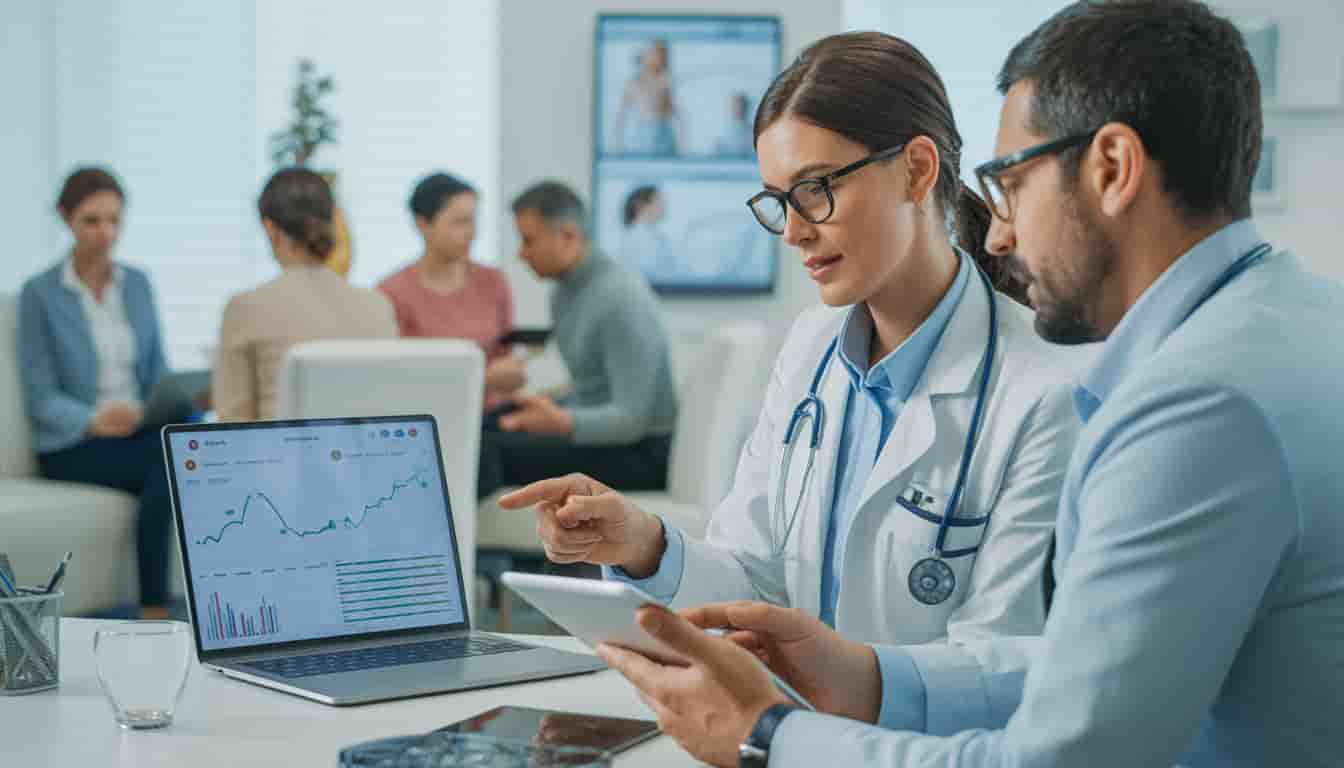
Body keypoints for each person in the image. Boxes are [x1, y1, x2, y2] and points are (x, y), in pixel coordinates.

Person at [591, 3, 1344, 767]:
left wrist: (767, 737)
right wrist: (867, 675)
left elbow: (1063, 754)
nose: (999, 233)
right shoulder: (1300, 325)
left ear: (1113, 168)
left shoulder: (1195, 406)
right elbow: (1084, 673)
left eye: (1011, 182)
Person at [501, 31, 1086, 664]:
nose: (795, 232)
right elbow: (753, 578)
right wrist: (644, 544)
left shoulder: (1047, 388)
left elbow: (997, 663)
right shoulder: (810, 345)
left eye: (815, 189)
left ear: (917, 170)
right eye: (780, 202)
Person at [17, 167, 174, 617]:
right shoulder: (40, 294)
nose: (106, 233)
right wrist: (92, 419)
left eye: (114, 221)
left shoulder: (138, 284)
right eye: (92, 221)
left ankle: (161, 605)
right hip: (75, 443)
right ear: (67, 219)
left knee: (183, 437)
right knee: (166, 461)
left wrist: (150, 408)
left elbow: (158, 370)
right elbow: (39, 395)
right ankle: (155, 609)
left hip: (136, 429)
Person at [476, 181, 677, 498]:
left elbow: (631, 420)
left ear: (568, 236)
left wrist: (560, 421)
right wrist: (554, 408)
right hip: (604, 438)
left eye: (529, 240)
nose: (521, 253)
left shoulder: (621, 299)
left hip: (640, 452)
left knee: (484, 452)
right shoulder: (564, 291)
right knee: (485, 424)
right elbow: (591, 389)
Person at [214, 168, 397, 421]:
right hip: (363, 459)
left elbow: (233, 426)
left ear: (270, 229)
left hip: (278, 458)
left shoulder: (244, 308)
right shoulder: (378, 305)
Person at [379, 173, 523, 410]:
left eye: (474, 220)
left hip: (493, 418)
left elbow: (505, 353)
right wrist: (484, 380)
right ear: (423, 224)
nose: (471, 232)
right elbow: (399, 379)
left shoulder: (493, 281)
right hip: (429, 417)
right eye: (459, 222)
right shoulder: (392, 293)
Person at [612, 39, 680, 155]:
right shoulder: (633, 84)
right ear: (646, 57)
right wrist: (618, 145)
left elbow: (671, 111)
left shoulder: (664, 81)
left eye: (662, 57)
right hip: (643, 136)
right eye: (655, 55)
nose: (658, 60)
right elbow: (621, 116)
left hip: (664, 134)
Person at [619, 184, 673, 281]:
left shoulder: (653, 236)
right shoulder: (637, 238)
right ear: (640, 205)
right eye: (659, 201)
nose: (664, 206)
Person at [715, 92, 755, 156]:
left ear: (746, 108)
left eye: (740, 107)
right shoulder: (725, 131)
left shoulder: (752, 132)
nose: (738, 110)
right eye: (735, 106)